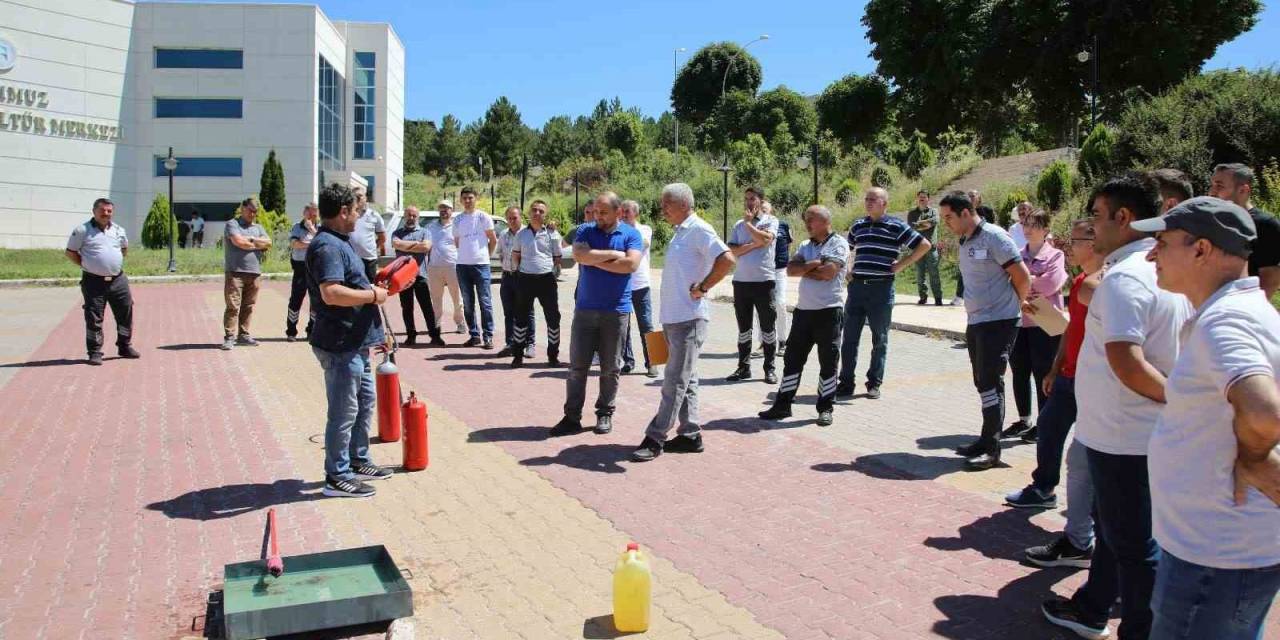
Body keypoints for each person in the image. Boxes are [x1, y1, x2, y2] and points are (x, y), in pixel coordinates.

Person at [1041, 173, 1192, 640]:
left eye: (1099, 217)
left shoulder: (1125, 277)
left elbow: (1126, 359)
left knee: (1135, 545)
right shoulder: (1162, 271)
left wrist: (1180, 402)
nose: (1092, 227)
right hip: (1133, 433)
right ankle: (1092, 605)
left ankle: (1145, 629)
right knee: (1119, 532)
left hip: (1125, 437)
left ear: (1124, 218)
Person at [1136, 196, 1280, 640]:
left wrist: (1255, 458)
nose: (1151, 254)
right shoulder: (1241, 312)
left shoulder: (1226, 323)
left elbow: (1262, 412)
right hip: (1218, 552)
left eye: (1162, 242)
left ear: (1200, 249)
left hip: (1215, 559)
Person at [1010, 220, 1101, 571]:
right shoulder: (1082, 283)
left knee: (1084, 458)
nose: (1072, 246)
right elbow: (1070, 331)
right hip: (1067, 375)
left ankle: (1085, 534)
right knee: (1048, 429)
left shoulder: (1106, 286)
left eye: (1078, 240)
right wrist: (1055, 368)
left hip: (1093, 382)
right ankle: (1043, 488)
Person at [632, 184, 735, 461]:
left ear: (683, 204)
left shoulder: (699, 229)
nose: (662, 208)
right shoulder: (680, 232)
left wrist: (703, 287)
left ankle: (655, 438)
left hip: (690, 319)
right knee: (686, 381)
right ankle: (690, 435)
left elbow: (727, 259)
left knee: (674, 382)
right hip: (673, 319)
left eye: (667, 203)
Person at [306, 183, 392, 498]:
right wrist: (372, 294)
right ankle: (337, 476)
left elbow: (348, 284)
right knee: (343, 412)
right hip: (340, 344)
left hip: (357, 341)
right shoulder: (328, 246)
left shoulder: (340, 241)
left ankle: (358, 459)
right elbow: (331, 293)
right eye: (355, 209)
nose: (358, 214)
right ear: (343, 212)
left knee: (364, 403)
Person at [941, 191, 1031, 471]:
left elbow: (1022, 276)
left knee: (992, 382)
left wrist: (1017, 305)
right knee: (982, 381)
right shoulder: (966, 239)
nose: (945, 223)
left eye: (948, 217)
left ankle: (992, 450)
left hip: (999, 322)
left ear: (966, 213)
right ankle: (984, 440)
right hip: (977, 321)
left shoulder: (995, 237)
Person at [549, 192, 643, 437]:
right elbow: (579, 255)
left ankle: (604, 413)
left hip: (617, 311)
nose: (598, 217)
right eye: (595, 212)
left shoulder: (631, 234)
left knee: (610, 368)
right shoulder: (585, 231)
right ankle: (572, 417)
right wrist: (614, 255)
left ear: (618, 211)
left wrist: (594, 259)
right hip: (585, 310)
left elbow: (631, 265)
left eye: (603, 212)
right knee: (577, 367)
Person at [758, 206, 850, 427]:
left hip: (829, 311)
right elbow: (791, 270)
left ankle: (825, 408)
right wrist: (814, 264)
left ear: (825, 221)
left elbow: (829, 273)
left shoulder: (838, 244)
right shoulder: (805, 245)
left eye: (811, 220)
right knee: (792, 359)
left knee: (828, 362)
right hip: (803, 312)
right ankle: (783, 404)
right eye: (806, 219)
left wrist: (806, 269)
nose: (807, 224)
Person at [836, 187, 931, 400]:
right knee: (849, 338)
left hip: (882, 288)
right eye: (867, 198)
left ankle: (874, 383)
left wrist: (901, 264)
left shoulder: (896, 226)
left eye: (873, 199)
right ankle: (845, 382)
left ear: (884, 204)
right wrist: (848, 271)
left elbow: (924, 245)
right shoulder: (858, 225)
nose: (868, 202)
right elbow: (847, 250)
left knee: (880, 338)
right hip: (857, 288)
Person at [1002, 209, 1068, 441]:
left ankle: (1045, 422)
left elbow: (1051, 283)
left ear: (1046, 229)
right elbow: (1008, 282)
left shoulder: (1055, 255)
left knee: (1044, 373)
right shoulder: (1017, 254)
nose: (1028, 229)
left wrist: (1026, 282)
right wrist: (1025, 295)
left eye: (1035, 225)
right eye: (1026, 224)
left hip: (1045, 323)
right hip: (1021, 321)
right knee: (1019, 371)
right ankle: (1023, 420)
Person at [65, 197, 139, 366]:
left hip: (118, 280)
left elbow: (124, 249)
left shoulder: (119, 230)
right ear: (94, 211)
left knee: (125, 313)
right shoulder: (82, 230)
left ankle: (124, 346)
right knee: (94, 317)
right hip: (93, 282)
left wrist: (112, 263)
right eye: (102, 210)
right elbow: (70, 253)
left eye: (109, 211)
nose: (106, 213)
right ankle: (95, 352)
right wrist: (87, 265)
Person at [727, 187, 780, 383]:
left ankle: (769, 368)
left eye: (753, 199)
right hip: (741, 282)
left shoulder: (771, 221)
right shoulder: (738, 225)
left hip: (764, 282)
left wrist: (750, 226)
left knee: (767, 327)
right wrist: (753, 243)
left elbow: (766, 240)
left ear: (760, 201)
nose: (749, 202)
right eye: (746, 198)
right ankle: (743, 367)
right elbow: (732, 250)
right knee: (744, 328)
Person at [1208, 162, 1280, 299]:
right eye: (1212, 185)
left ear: (1243, 190)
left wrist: (1251, 308)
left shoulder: (1265, 225)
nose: (1211, 192)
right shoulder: (1213, 221)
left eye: (1219, 186)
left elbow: (1270, 279)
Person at [510, 199, 563, 368]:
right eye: (534, 210)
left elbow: (557, 258)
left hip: (546, 280)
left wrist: (552, 271)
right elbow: (516, 255)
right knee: (521, 318)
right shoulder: (521, 234)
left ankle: (553, 356)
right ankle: (518, 355)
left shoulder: (552, 234)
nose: (537, 213)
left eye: (541, 211)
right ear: (529, 212)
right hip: (525, 279)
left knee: (553, 318)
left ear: (545, 214)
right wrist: (518, 272)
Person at [221, 198, 272, 351]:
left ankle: (243, 335)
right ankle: (229, 337)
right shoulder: (232, 224)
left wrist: (251, 239)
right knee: (233, 306)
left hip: (254, 273)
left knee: (248, 306)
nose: (252, 214)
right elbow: (238, 242)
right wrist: (256, 244)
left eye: (255, 211)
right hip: (235, 272)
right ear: (242, 208)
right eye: (250, 210)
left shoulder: (258, 227)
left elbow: (268, 243)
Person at [391, 206, 443, 347]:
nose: (411, 218)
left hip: (420, 274)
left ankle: (435, 336)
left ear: (418, 217)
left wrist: (404, 246)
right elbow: (396, 243)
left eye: (414, 215)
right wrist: (416, 245)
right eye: (409, 215)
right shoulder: (397, 233)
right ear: (404, 216)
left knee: (427, 307)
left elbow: (426, 247)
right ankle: (410, 336)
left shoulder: (425, 232)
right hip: (402, 277)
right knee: (406, 308)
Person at [453, 186, 498, 348]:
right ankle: (474, 335)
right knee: (467, 302)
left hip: (481, 265)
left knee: (485, 301)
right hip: (463, 265)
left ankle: (488, 336)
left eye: (470, 197)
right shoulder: (457, 220)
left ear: (475, 198)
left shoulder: (483, 217)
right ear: (461, 200)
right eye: (464, 198)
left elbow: (493, 240)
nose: (467, 201)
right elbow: (457, 242)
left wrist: (485, 256)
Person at [620, 200, 657, 377]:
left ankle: (654, 362)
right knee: (623, 326)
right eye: (622, 211)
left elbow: (640, 245)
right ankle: (628, 361)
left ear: (636, 213)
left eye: (627, 211)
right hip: (622, 285)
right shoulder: (617, 230)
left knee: (647, 324)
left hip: (641, 285)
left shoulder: (645, 229)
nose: (624, 214)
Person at [497, 206, 534, 358]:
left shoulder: (528, 233)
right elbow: (500, 254)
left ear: (521, 217)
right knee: (509, 313)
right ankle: (510, 343)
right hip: (507, 277)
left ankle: (529, 344)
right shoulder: (503, 234)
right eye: (509, 218)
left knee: (527, 312)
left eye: (515, 218)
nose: (512, 221)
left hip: (523, 277)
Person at [425, 200, 467, 335]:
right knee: (436, 298)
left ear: (451, 210)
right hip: (434, 267)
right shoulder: (431, 227)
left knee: (457, 297)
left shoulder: (457, 226)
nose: (444, 210)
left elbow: (462, 246)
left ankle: (460, 323)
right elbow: (426, 246)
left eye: (447, 208)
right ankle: (436, 324)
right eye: (441, 208)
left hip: (452, 267)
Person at [957, 190, 998, 305]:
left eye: (973, 195)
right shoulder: (963, 212)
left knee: (982, 268)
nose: (970, 198)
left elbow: (992, 227)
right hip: (967, 243)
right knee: (965, 268)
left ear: (979, 197)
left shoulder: (986, 210)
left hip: (984, 245)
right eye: (968, 195)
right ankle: (960, 295)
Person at [286, 203, 319, 341]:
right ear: (304, 213)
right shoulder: (297, 227)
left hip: (315, 268)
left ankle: (311, 330)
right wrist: (311, 244)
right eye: (309, 213)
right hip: (300, 267)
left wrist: (312, 230)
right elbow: (295, 244)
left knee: (315, 301)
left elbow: (323, 242)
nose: (311, 216)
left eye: (314, 214)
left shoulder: (320, 228)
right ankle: (291, 331)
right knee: (296, 299)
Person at [907, 190, 944, 305]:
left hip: (931, 248)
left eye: (924, 197)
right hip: (917, 247)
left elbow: (935, 221)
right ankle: (923, 297)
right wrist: (926, 224)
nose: (922, 199)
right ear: (917, 199)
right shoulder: (912, 213)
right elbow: (912, 227)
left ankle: (938, 298)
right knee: (920, 274)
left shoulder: (934, 211)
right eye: (920, 197)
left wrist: (920, 224)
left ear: (928, 199)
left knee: (934, 273)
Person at [348, 185, 386, 282]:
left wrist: (371, 247)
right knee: (353, 289)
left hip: (369, 260)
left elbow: (382, 238)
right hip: (351, 259)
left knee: (370, 288)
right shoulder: (346, 215)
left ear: (366, 198)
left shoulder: (374, 215)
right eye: (355, 196)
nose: (358, 198)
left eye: (360, 196)